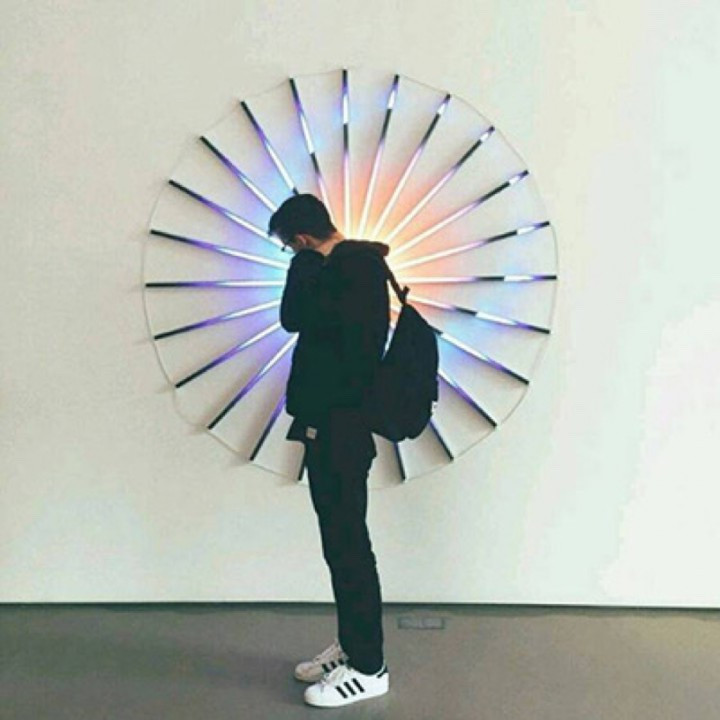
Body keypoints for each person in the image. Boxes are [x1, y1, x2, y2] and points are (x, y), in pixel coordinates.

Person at [268, 193, 391, 708]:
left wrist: (303, 266)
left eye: (289, 247)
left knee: (348, 545)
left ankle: (369, 667)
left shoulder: (349, 268)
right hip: (335, 426)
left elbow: (294, 318)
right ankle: (353, 645)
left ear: (300, 239)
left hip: (342, 428)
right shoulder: (354, 267)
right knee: (340, 543)